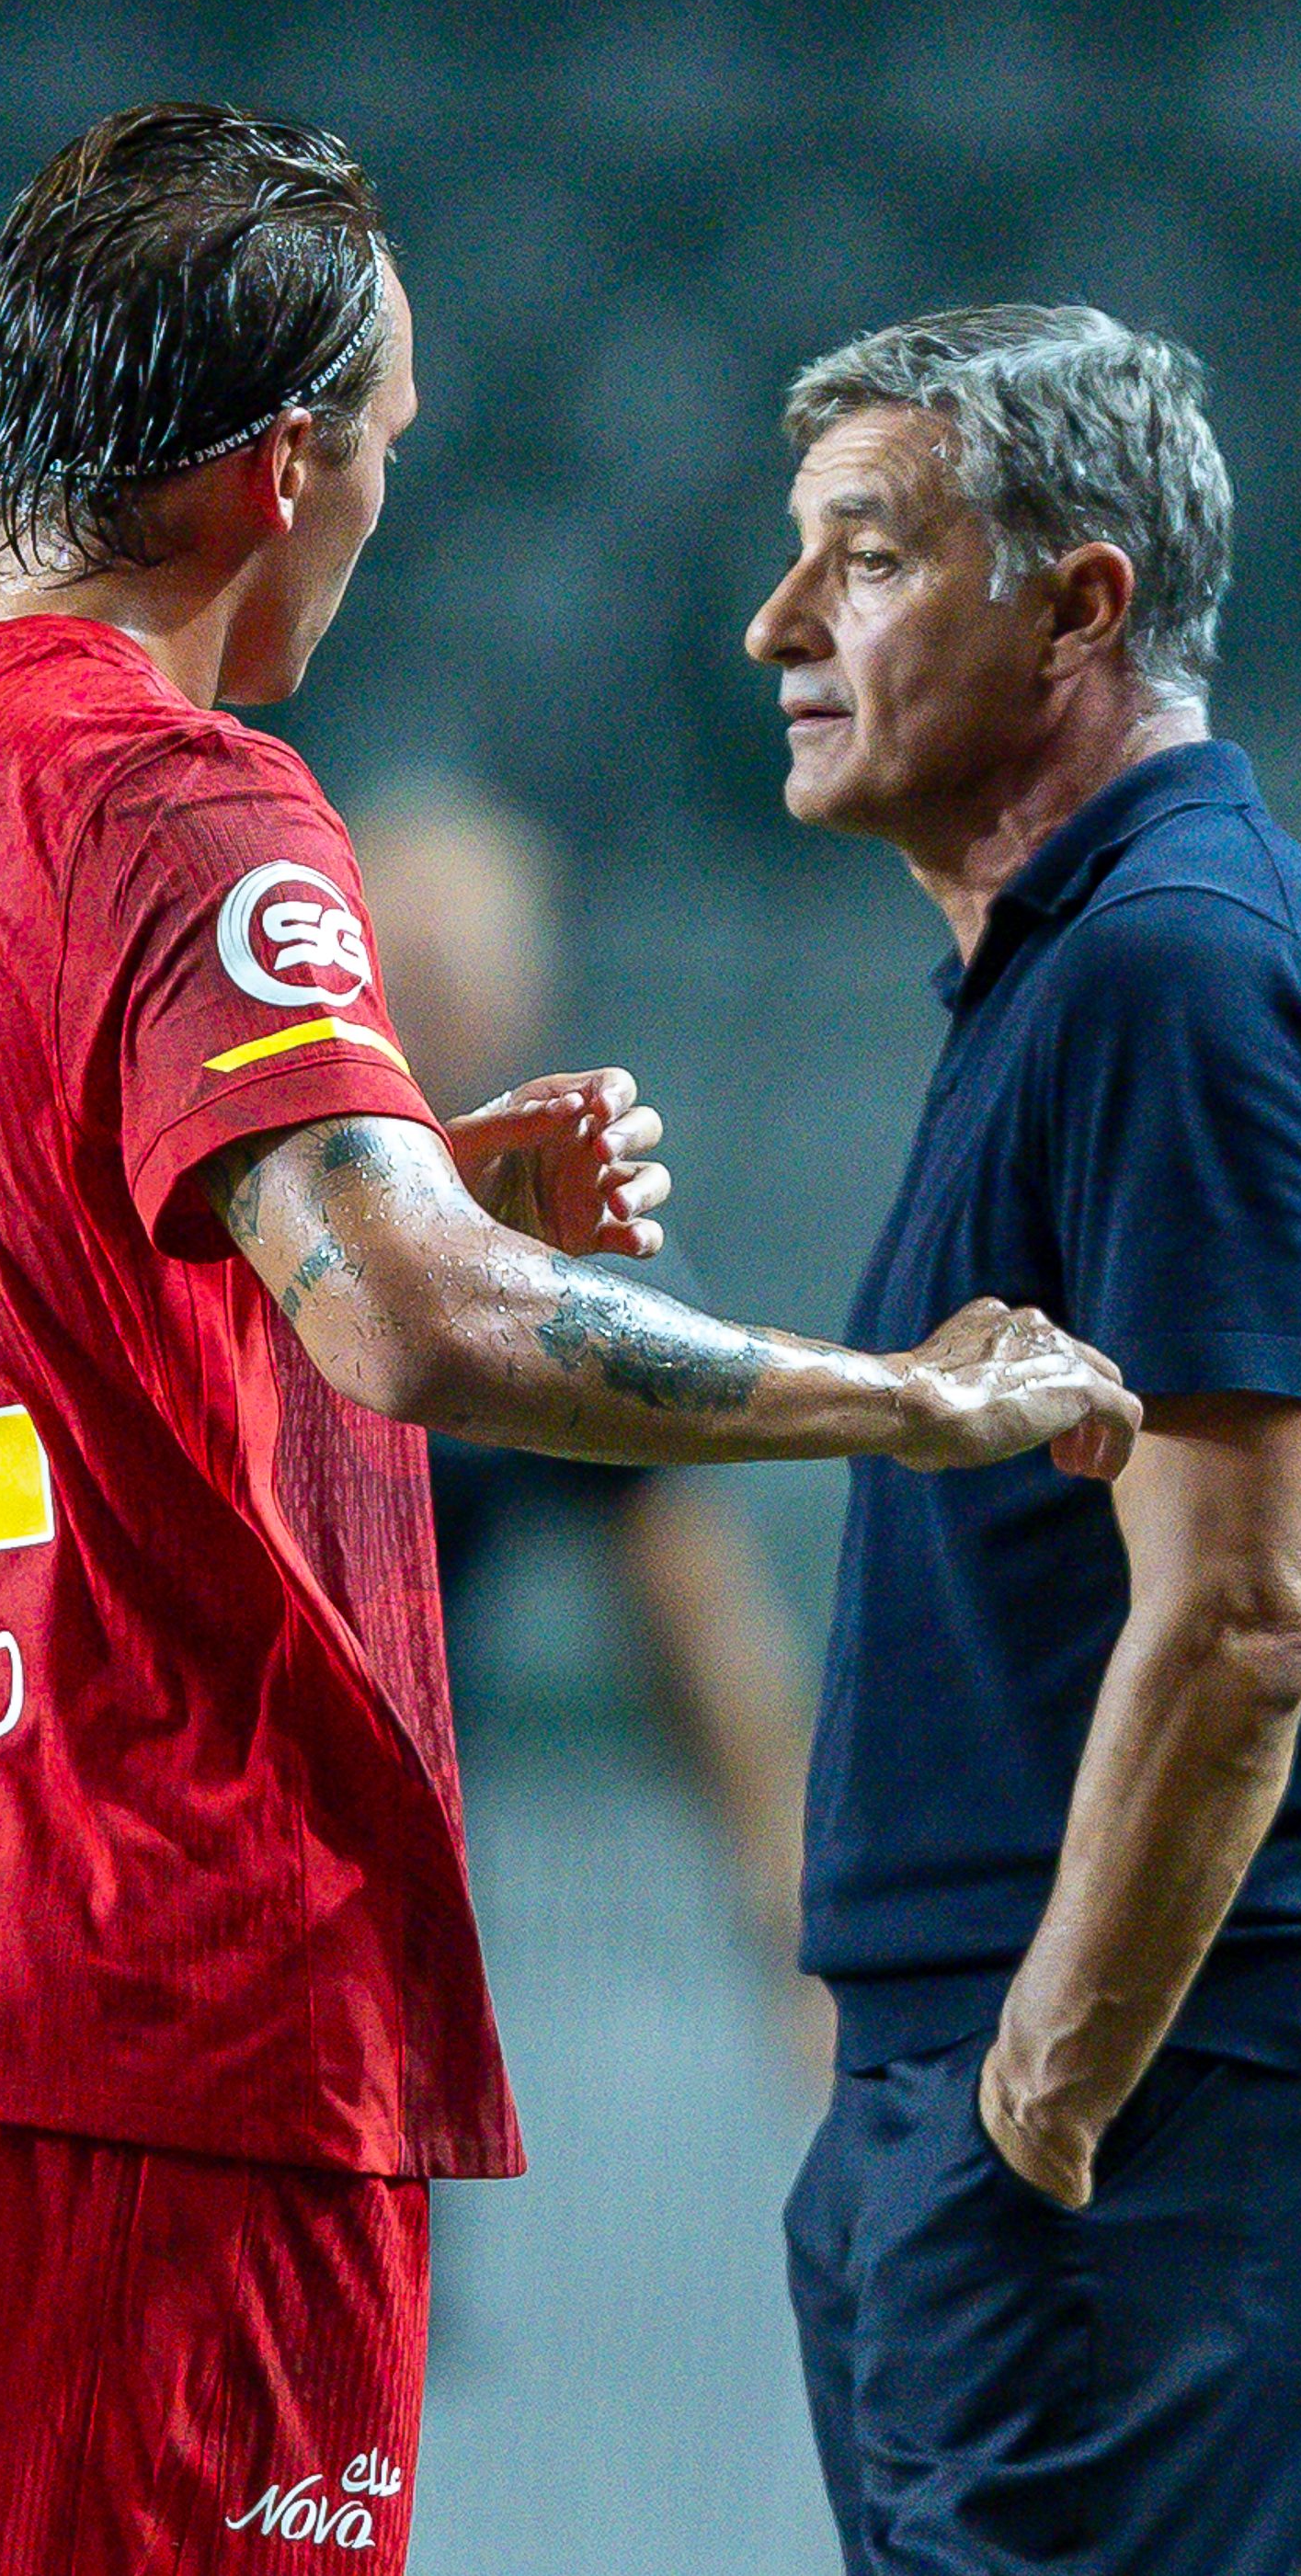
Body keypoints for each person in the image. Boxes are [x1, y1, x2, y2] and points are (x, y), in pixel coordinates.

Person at [0, 105, 1135, 2576]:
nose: (380, 506)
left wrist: (405, 1168)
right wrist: (920, 1398)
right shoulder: (182, 796)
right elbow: (421, 1323)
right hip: (161, 1996)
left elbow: (52, 1274)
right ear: (279, 464)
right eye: (384, 447)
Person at [745, 303, 1301, 2575]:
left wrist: (1034, 2107)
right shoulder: (1080, 969)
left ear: (1080, 604)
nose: (776, 625)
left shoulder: (1176, 964)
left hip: (1147, 2100)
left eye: (863, 557)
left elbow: (1249, 1612)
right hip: (1025, 2092)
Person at [355, 780, 818, 1977]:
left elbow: (688, 1588)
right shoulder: (209, 1195)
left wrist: (793, 1902)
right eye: (400, 977)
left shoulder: (544, 1261)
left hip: (363, 1908)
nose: (430, 1028)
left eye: (462, 989)